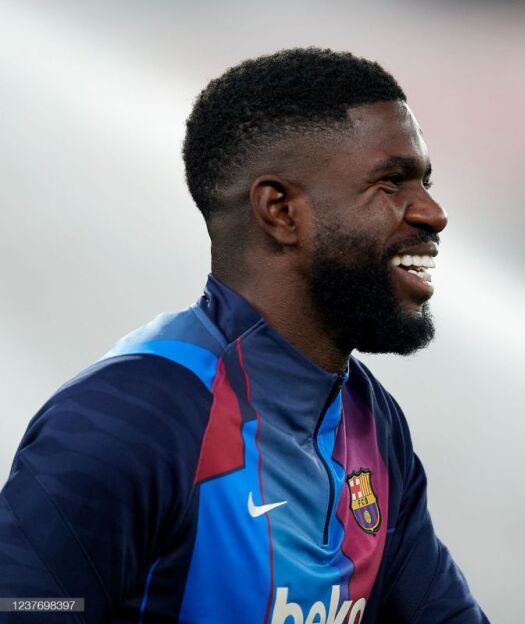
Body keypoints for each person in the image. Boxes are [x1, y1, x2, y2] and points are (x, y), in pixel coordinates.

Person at [0, 48, 488, 623]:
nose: (432, 213)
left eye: (424, 182)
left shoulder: (371, 423)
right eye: (391, 182)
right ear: (280, 211)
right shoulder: (133, 419)